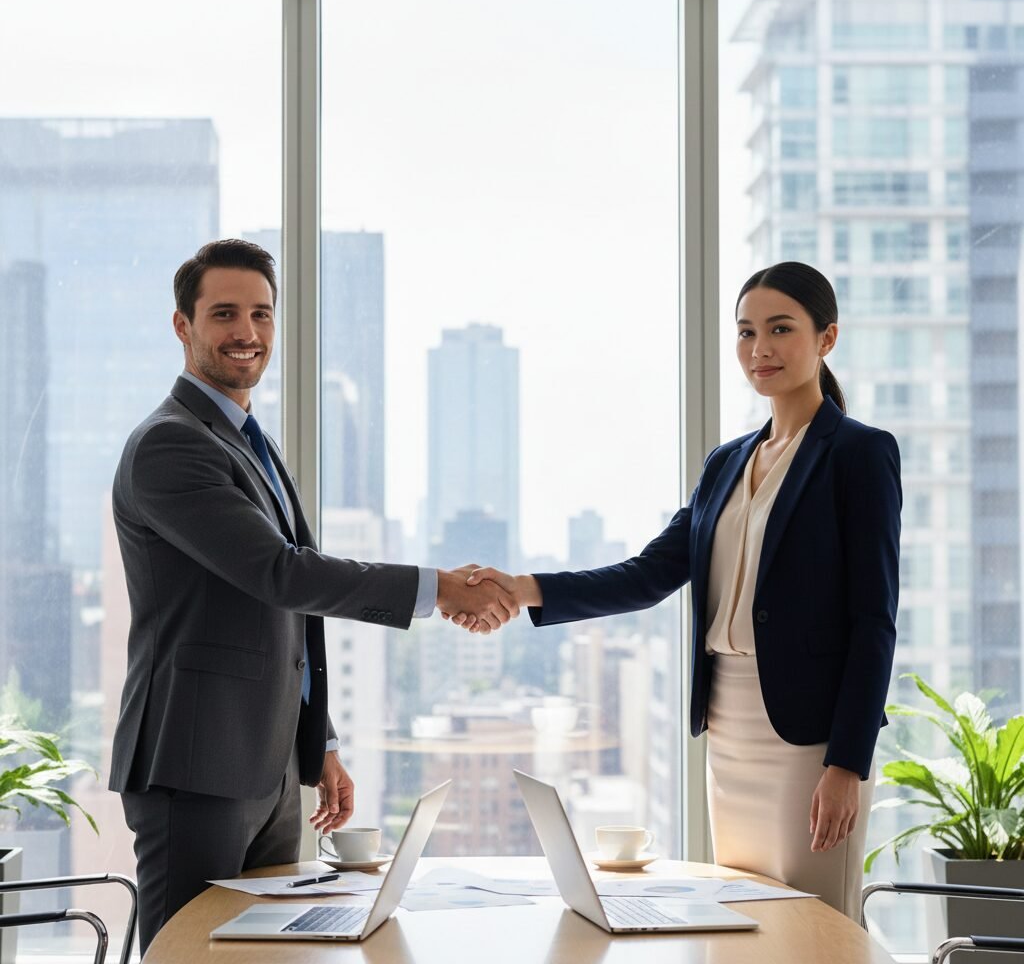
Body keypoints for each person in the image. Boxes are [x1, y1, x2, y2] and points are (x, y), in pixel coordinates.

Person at [454, 262, 900, 919]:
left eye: (781, 329)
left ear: (826, 338)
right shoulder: (727, 462)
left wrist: (847, 764)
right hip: (729, 728)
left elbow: (874, 621)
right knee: (747, 924)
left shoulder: (859, 453)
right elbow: (649, 573)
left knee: (817, 929)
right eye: (746, 332)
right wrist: (522, 589)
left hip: (809, 740)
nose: (760, 349)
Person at [109, 238, 517, 952]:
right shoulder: (171, 445)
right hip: (194, 765)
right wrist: (437, 588)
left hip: (264, 766)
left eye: (262, 314)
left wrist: (316, 740)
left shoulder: (246, 441)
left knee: (267, 953)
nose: (247, 333)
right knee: (190, 954)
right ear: (183, 326)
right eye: (225, 314)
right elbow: (282, 572)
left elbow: (273, 614)